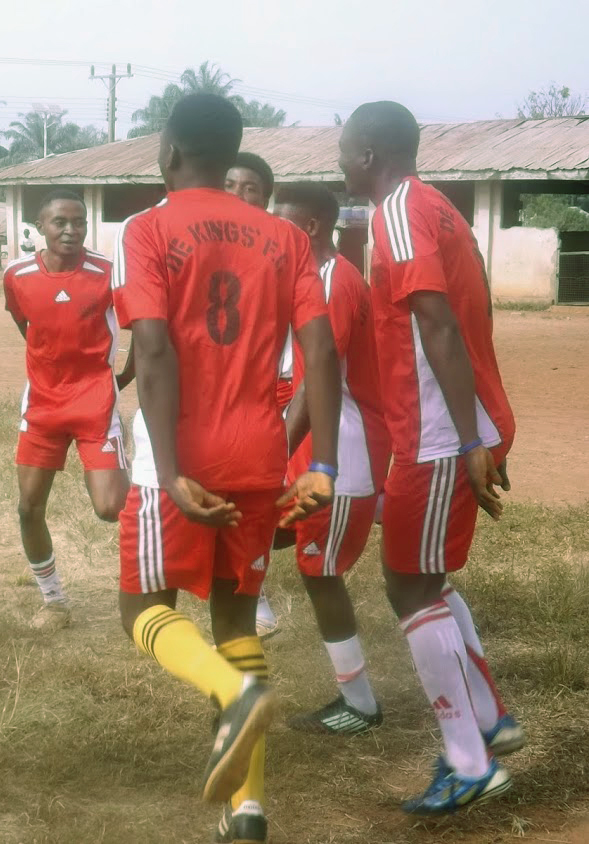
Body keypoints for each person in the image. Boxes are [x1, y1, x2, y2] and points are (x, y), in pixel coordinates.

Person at [112, 93, 341, 843]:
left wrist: (171, 466)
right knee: (235, 617)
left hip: (181, 456)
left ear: (169, 151)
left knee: (141, 608)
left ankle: (233, 695)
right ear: (230, 150)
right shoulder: (285, 237)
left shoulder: (146, 229)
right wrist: (324, 463)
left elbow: (151, 348)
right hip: (259, 452)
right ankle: (247, 812)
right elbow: (320, 351)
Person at [339, 100, 523, 814]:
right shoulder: (440, 207)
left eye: (343, 150)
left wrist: (469, 439)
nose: (338, 162)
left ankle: (469, 762)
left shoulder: (395, 212)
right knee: (426, 579)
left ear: (366, 155)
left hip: (438, 434)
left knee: (407, 587)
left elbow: (439, 324)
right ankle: (489, 719)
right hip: (451, 425)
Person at [274, 182, 391, 735]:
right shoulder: (313, 277)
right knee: (263, 535)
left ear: (311, 228)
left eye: (281, 222)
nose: (273, 232)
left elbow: (316, 383)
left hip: (342, 457)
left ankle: (360, 704)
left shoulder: (333, 283)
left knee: (319, 573)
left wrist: (272, 452)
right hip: (323, 452)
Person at [3, 189, 133, 630]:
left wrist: (121, 379)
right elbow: (26, 324)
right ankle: (54, 601)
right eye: (60, 222)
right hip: (42, 406)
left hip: (96, 405)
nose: (71, 230)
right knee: (28, 507)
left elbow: (143, 327)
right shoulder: (17, 274)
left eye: (79, 222)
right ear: (40, 226)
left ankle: (145, 570)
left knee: (110, 508)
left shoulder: (108, 274)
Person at [225, 150, 283, 642]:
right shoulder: (202, 248)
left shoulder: (279, 251)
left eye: (251, 189)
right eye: (230, 185)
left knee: (262, 501)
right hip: (217, 394)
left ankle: (254, 591)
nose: (240, 196)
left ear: (266, 200)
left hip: (273, 388)